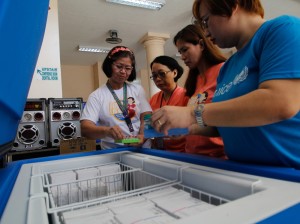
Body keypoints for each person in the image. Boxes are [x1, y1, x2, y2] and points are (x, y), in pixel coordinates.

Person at [151, 0, 300, 168]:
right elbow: (225, 124)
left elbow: (280, 102)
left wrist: (191, 114)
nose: (206, 32)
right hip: (242, 170)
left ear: (232, 5)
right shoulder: (227, 68)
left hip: (289, 174)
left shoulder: (283, 29)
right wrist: (189, 129)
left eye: (206, 21)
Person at [81, 46, 152, 149]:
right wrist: (107, 131)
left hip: (142, 149)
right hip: (113, 152)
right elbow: (85, 129)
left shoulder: (138, 90)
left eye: (128, 68)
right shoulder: (97, 96)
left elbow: (147, 116)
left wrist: (142, 135)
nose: (123, 71)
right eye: (119, 66)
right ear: (110, 66)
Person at [173, 24, 227, 158]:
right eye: (180, 52)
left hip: (218, 156)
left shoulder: (223, 70)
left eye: (185, 50)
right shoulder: (194, 80)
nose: (183, 57)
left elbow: (228, 117)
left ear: (201, 45)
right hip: (194, 155)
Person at [149, 56, 189, 152]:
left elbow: (193, 127)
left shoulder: (187, 96)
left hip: (183, 152)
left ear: (174, 73)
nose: (157, 79)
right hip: (160, 151)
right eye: (154, 76)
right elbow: (149, 126)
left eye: (162, 74)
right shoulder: (153, 99)